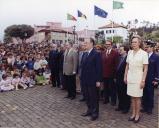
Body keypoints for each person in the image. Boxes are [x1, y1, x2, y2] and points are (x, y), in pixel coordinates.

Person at [124, 35, 148, 123]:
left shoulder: (144, 53)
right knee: (132, 97)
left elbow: (145, 68)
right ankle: (133, 113)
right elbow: (127, 66)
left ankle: (137, 115)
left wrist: (143, 80)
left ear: (139, 43)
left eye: (135, 42)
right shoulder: (129, 52)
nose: (133, 44)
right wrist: (125, 76)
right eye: (132, 42)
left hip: (138, 78)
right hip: (130, 77)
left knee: (137, 98)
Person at [81, 38, 102, 121]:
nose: (85, 44)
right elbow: (83, 67)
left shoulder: (96, 54)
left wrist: (98, 80)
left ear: (91, 44)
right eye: (84, 43)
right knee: (87, 96)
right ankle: (89, 110)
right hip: (85, 80)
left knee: (94, 97)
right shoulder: (85, 53)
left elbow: (99, 68)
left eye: (86, 43)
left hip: (93, 81)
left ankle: (95, 113)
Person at [141, 40, 159, 114]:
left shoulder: (156, 57)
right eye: (146, 47)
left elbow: (158, 69)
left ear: (151, 48)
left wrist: (156, 79)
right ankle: (144, 107)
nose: (146, 48)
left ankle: (149, 108)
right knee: (144, 93)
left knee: (150, 94)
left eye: (147, 47)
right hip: (144, 78)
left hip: (151, 79)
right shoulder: (144, 55)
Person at [101, 40, 119, 106]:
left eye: (109, 44)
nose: (107, 45)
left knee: (112, 89)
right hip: (104, 74)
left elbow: (116, 65)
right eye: (106, 44)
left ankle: (113, 101)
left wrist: (115, 76)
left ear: (111, 45)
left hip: (112, 74)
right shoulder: (103, 52)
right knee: (105, 88)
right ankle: (106, 99)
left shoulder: (115, 53)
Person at [115, 45, 130, 114]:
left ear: (125, 51)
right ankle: (120, 106)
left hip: (125, 79)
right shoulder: (119, 57)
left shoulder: (128, 58)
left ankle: (126, 107)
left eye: (121, 50)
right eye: (119, 49)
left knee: (125, 94)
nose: (119, 51)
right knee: (119, 93)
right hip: (118, 78)